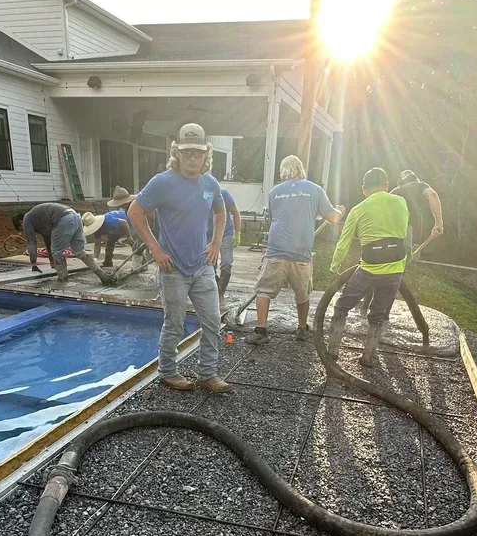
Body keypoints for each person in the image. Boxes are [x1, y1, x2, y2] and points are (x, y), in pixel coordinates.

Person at [127, 123, 231, 393]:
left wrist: (216, 243)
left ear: (205, 154)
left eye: (198, 153)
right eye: (188, 153)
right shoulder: (162, 182)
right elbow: (134, 212)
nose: (193, 158)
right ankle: (168, 372)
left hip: (202, 265)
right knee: (173, 322)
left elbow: (221, 213)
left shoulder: (210, 183)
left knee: (212, 320)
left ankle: (208, 373)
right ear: (177, 153)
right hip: (172, 267)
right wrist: (155, 249)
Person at [247, 155, 342, 345]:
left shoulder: (275, 192)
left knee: (264, 291)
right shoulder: (315, 190)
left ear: (283, 171)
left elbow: (274, 217)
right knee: (302, 292)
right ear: (301, 169)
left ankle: (261, 330)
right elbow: (332, 218)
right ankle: (301, 329)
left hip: (276, 250)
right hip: (300, 252)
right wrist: (340, 211)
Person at [328, 167, 411, 368]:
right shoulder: (400, 202)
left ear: (364, 189)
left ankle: (332, 353)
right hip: (395, 271)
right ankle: (367, 358)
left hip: (369, 269)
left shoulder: (358, 209)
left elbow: (343, 242)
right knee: (378, 315)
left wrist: (335, 266)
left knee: (341, 307)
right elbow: (403, 232)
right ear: (387, 186)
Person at [13, 203, 113, 285]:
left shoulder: (27, 219)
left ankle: (62, 281)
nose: (24, 231)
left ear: (21, 222)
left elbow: (31, 242)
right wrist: (52, 262)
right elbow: (48, 240)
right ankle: (103, 276)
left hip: (63, 219)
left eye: (21, 229)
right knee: (80, 252)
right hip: (75, 217)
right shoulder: (38, 219)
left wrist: (33, 264)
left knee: (57, 252)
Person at [391, 169, 443, 256]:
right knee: (402, 262)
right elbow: (432, 195)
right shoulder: (420, 186)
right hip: (404, 230)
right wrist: (438, 223)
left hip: (387, 231)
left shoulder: (394, 191)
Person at [212, 184, 242, 309]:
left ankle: (221, 291)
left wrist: (238, 232)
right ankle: (214, 290)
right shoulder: (199, 194)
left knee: (226, 263)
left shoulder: (223, 193)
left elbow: (235, 212)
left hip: (226, 233)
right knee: (210, 264)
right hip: (210, 234)